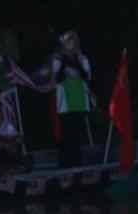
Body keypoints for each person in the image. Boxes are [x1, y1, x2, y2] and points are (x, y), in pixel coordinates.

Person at [50, 30, 93, 167]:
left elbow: (88, 75)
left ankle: (77, 162)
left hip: (79, 100)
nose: (71, 43)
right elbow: (54, 78)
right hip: (65, 101)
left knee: (77, 133)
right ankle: (65, 163)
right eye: (68, 40)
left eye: (73, 40)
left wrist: (80, 60)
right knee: (66, 132)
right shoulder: (58, 58)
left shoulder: (81, 58)